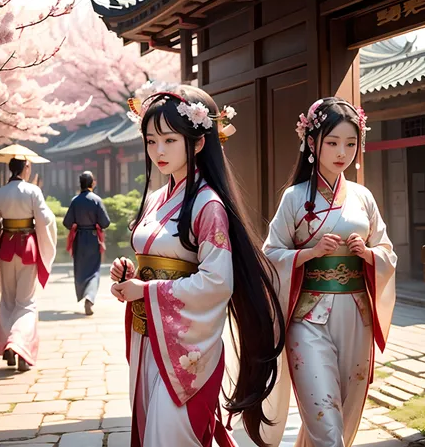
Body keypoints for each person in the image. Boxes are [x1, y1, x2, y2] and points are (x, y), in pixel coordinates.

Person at [108, 84, 285, 447]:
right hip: (150, 335)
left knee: (169, 436)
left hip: (188, 346)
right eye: (151, 140)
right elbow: (154, 260)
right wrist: (130, 273)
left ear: (199, 143)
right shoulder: (157, 199)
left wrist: (148, 289)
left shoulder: (208, 205)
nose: (158, 150)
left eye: (170, 140)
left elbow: (217, 282)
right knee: (150, 429)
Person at [263, 97, 397, 447]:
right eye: (333, 142)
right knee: (324, 419)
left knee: (346, 411)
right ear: (311, 142)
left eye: (351, 144)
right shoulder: (294, 198)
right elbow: (271, 252)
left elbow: (387, 251)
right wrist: (309, 253)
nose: (342, 152)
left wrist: (368, 254)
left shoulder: (363, 197)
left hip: (356, 315)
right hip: (308, 317)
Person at [0, 157, 57, 372]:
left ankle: (8, 344)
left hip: (7, 247)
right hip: (28, 248)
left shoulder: (1, 193)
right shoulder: (33, 191)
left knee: (8, 299)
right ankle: (20, 345)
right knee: (26, 302)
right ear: (26, 168)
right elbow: (45, 219)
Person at [63, 171, 111, 315]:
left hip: (79, 239)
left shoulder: (75, 200)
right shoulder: (96, 200)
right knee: (94, 270)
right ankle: (90, 297)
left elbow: (67, 222)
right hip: (93, 238)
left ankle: (84, 293)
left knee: (80, 269)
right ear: (92, 183)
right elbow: (105, 222)